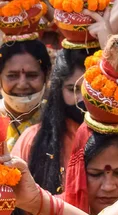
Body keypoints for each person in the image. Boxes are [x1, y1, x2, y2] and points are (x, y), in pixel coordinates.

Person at [13, 49, 87, 195]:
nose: (81, 99)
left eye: (88, 89)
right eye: (72, 89)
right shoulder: (33, 138)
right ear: (58, 91)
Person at [0, 40, 52, 151]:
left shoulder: (58, 120)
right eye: (12, 76)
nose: (22, 85)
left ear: (46, 76)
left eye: (32, 75)